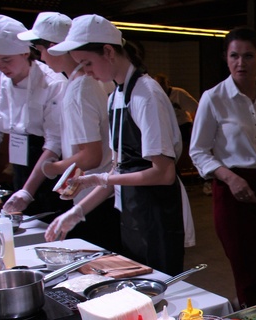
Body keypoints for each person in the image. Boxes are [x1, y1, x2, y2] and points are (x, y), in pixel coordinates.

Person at [47, 14, 185, 275]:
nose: (85, 71)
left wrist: (102, 179)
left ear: (108, 51)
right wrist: (77, 211)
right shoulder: (116, 96)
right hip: (132, 213)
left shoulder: (147, 95)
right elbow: (118, 170)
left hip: (157, 215)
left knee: (160, 289)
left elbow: (164, 173)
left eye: (87, 62)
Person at [190, 27, 256, 308]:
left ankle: (247, 307)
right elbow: (198, 151)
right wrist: (230, 178)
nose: (241, 63)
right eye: (235, 56)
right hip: (231, 191)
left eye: (248, 55)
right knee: (247, 268)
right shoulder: (213, 98)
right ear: (226, 59)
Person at [17, 12, 122, 253]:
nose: (40, 57)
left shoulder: (79, 89)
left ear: (54, 48)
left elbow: (92, 156)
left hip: (94, 198)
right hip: (100, 193)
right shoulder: (89, 82)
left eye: (40, 51)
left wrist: (54, 168)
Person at [0, 17, 70, 220]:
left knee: (46, 220)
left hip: (48, 165)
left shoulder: (53, 82)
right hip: (19, 161)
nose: (0, 66)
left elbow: (54, 142)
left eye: (6, 60)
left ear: (25, 52)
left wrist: (28, 191)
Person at [153, 72, 198, 175]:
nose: (161, 87)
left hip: (182, 125)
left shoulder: (178, 93)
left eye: (162, 84)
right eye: (158, 84)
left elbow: (196, 107)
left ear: (167, 83)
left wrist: (196, 126)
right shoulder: (155, 95)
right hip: (166, 128)